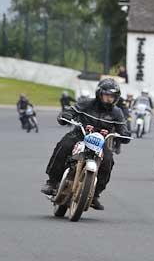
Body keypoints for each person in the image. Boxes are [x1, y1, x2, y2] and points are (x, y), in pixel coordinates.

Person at [40, 79, 131, 210]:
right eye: (106, 95)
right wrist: (65, 115)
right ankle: (52, 182)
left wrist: (125, 135)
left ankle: (95, 194)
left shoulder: (117, 112)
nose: (108, 99)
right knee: (63, 146)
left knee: (108, 161)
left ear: (116, 97)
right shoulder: (86, 104)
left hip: (100, 141)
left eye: (112, 96)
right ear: (99, 94)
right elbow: (70, 112)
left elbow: (123, 130)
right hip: (80, 135)